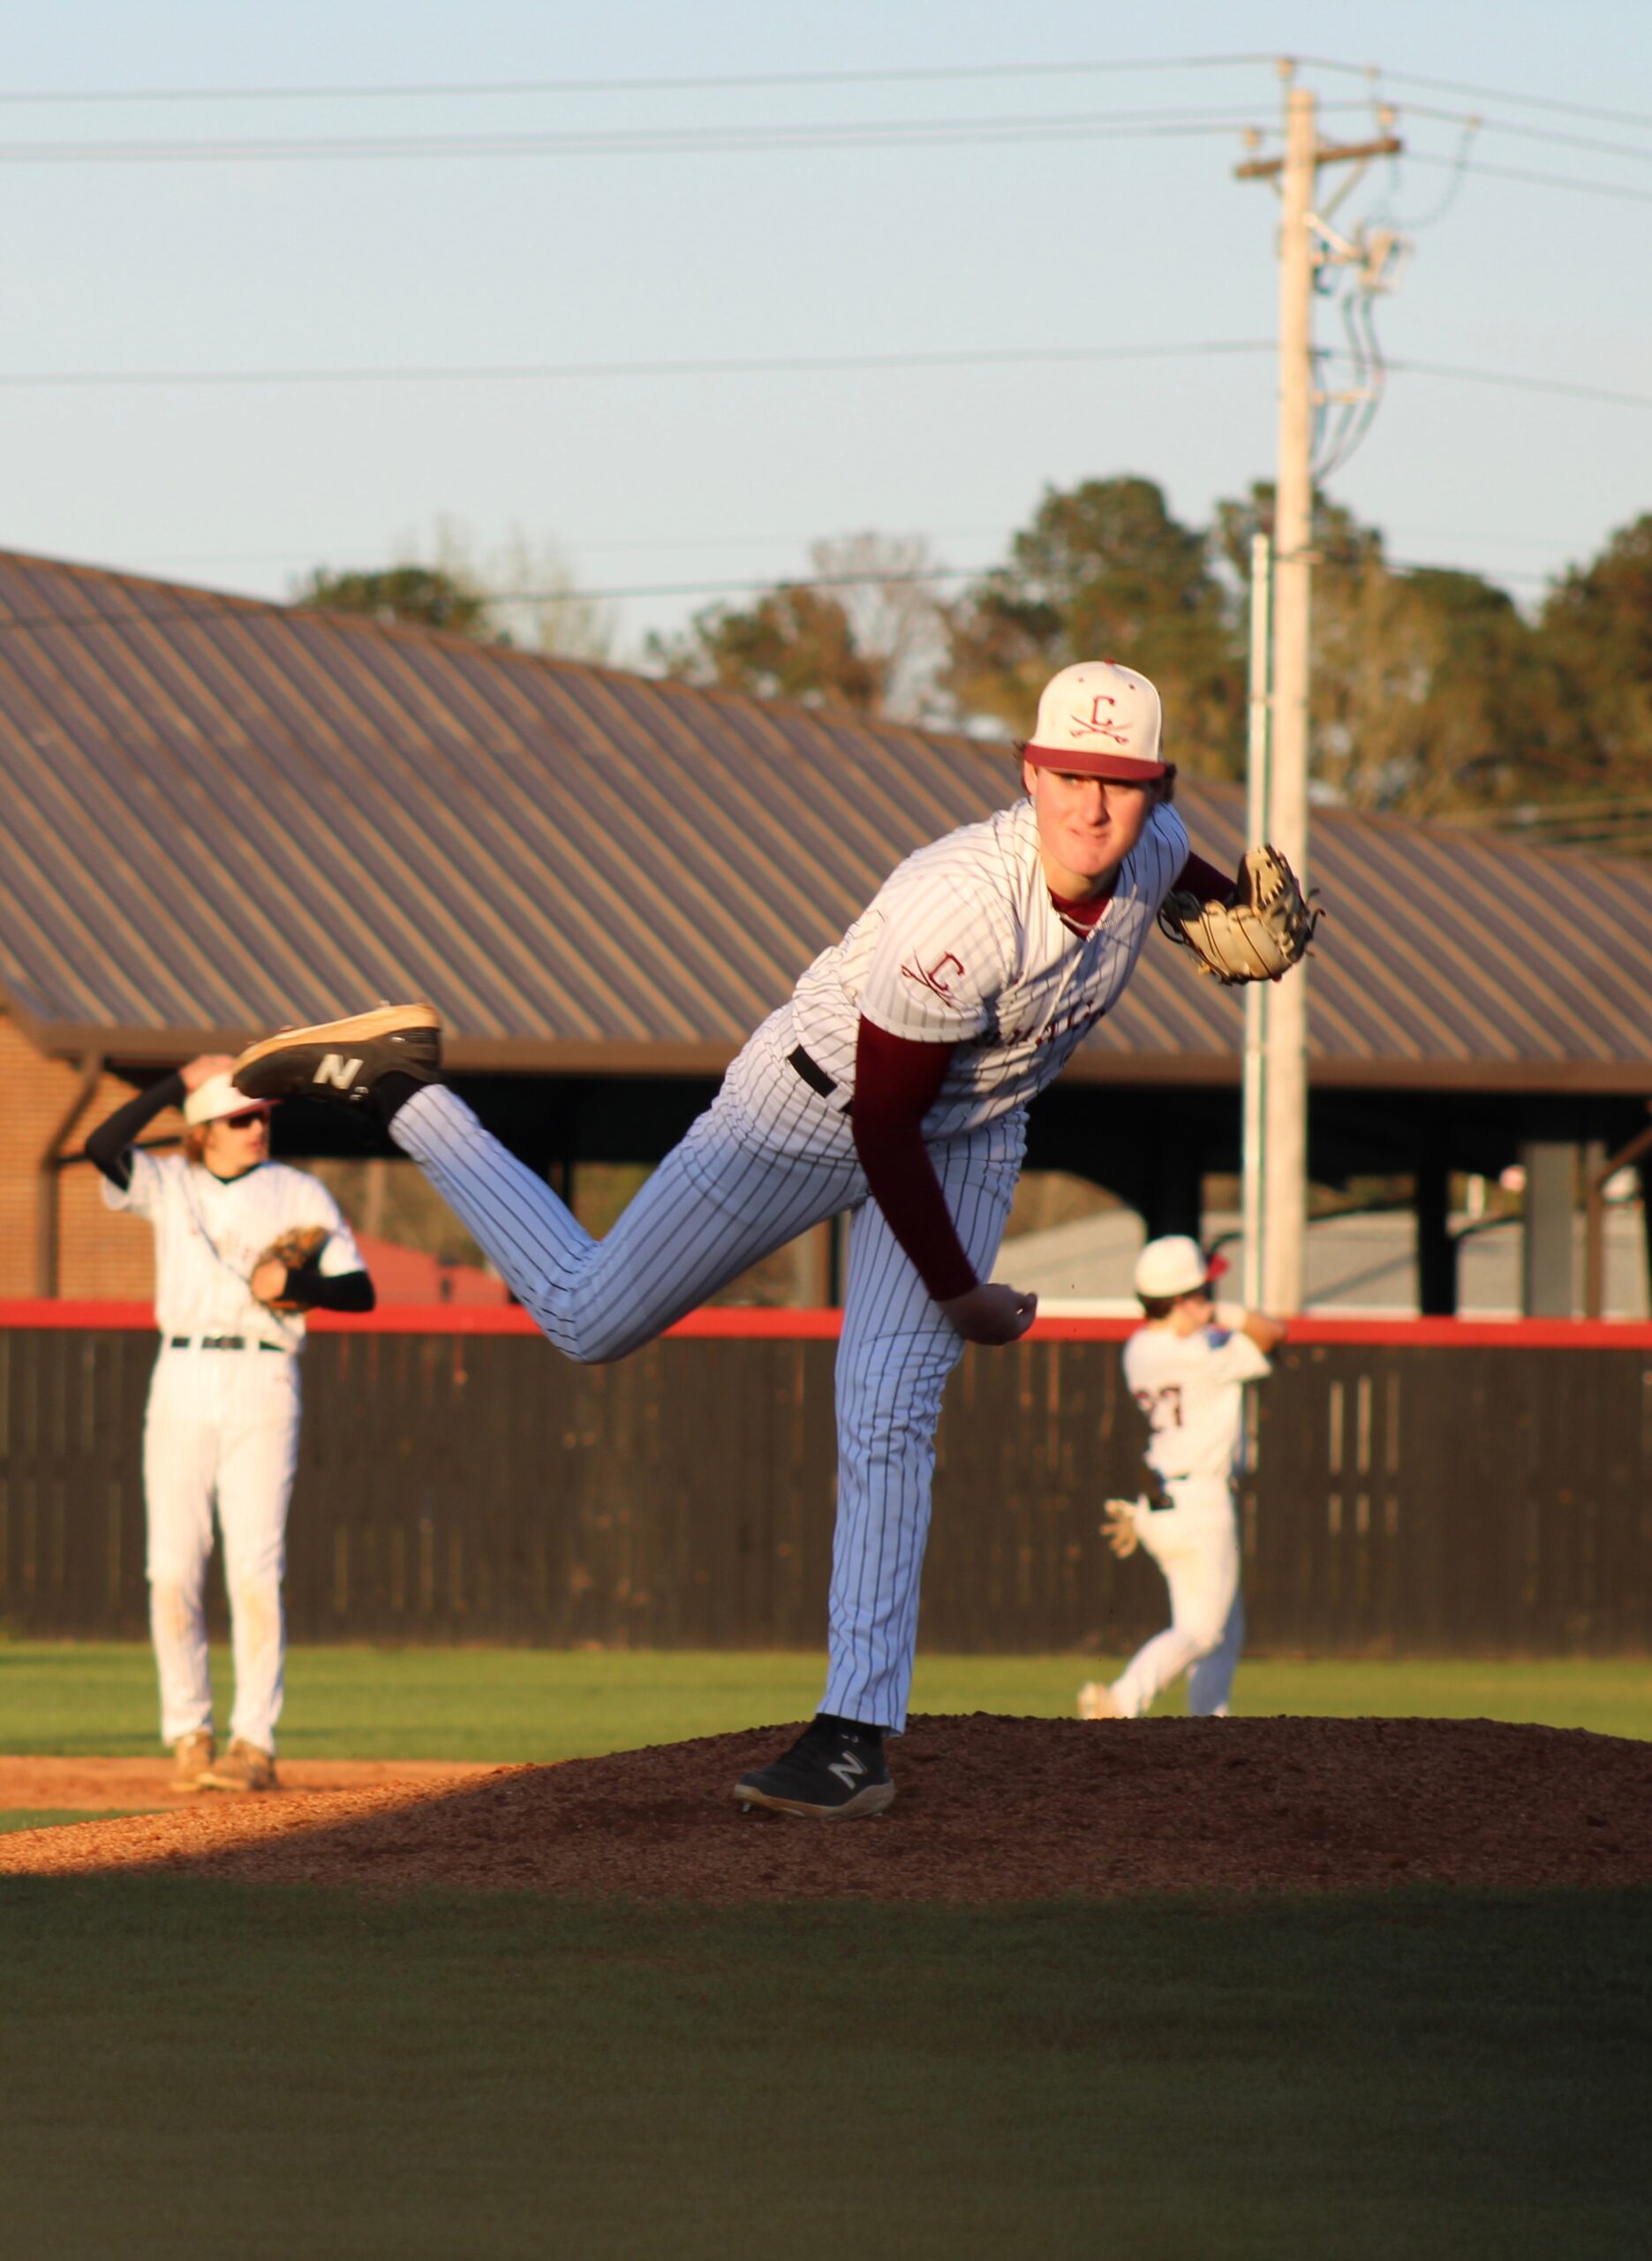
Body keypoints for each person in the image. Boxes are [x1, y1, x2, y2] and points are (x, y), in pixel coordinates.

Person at [231, 660, 1301, 1820]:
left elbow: (1184, 879)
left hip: (974, 1128)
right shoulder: (955, 910)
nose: (1094, 807)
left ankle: (851, 1738)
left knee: (887, 1408)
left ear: (1158, 788)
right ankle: (402, 1090)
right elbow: (882, 1129)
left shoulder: (1149, 847)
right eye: (1070, 776)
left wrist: (1218, 906)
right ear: (1028, 771)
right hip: (810, 1108)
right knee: (587, 1318)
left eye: (1123, 782)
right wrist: (960, 1296)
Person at [86, 1057, 373, 1791]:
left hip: (264, 1375)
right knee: (170, 1568)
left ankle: (254, 1743)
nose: (257, 1127)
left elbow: (361, 1291)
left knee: (254, 1567)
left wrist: (297, 1284)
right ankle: (189, 1732)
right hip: (181, 1373)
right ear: (202, 1129)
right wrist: (176, 1085)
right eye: (241, 1118)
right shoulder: (168, 1182)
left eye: (263, 1116)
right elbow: (101, 1146)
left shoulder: (296, 1191)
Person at [1077, 1235, 1286, 1724]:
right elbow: (1273, 1334)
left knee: (1224, 1633)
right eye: (1202, 1290)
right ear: (1183, 1298)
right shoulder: (1203, 1355)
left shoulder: (1139, 1350)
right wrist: (1219, 1315)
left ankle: (1208, 1727)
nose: (1210, 1296)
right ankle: (1122, 1702)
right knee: (1203, 1632)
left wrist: (1193, 1312)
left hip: (1164, 1502)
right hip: (1201, 1503)